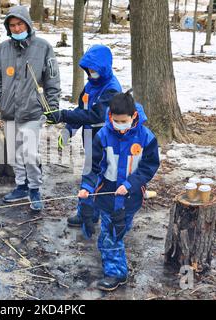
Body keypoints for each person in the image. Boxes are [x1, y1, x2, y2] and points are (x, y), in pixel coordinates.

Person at [78, 91, 160, 291]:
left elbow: (148, 167)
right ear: (110, 117)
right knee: (110, 233)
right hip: (107, 193)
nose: (119, 126)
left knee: (120, 227)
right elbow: (93, 166)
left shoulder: (146, 137)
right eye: (115, 121)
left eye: (123, 121)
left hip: (131, 196)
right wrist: (87, 187)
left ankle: (114, 255)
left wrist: (131, 183)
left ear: (133, 116)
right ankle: (116, 272)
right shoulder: (103, 136)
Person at [0, 5, 61, 212]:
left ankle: (35, 188)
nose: (16, 28)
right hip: (9, 109)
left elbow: (52, 79)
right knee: (14, 152)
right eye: (12, 25)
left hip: (32, 110)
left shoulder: (43, 47)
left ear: (27, 24)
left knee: (29, 152)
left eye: (20, 24)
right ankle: (20, 185)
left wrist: (51, 107)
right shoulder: (3, 49)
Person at [44, 44, 122, 228]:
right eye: (89, 69)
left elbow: (96, 115)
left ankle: (97, 214)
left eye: (95, 70)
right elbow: (82, 109)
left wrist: (62, 114)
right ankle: (88, 213)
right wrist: (69, 129)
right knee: (90, 175)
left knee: (97, 175)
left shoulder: (111, 89)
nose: (91, 72)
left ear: (103, 68)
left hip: (105, 139)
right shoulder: (90, 85)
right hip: (89, 137)